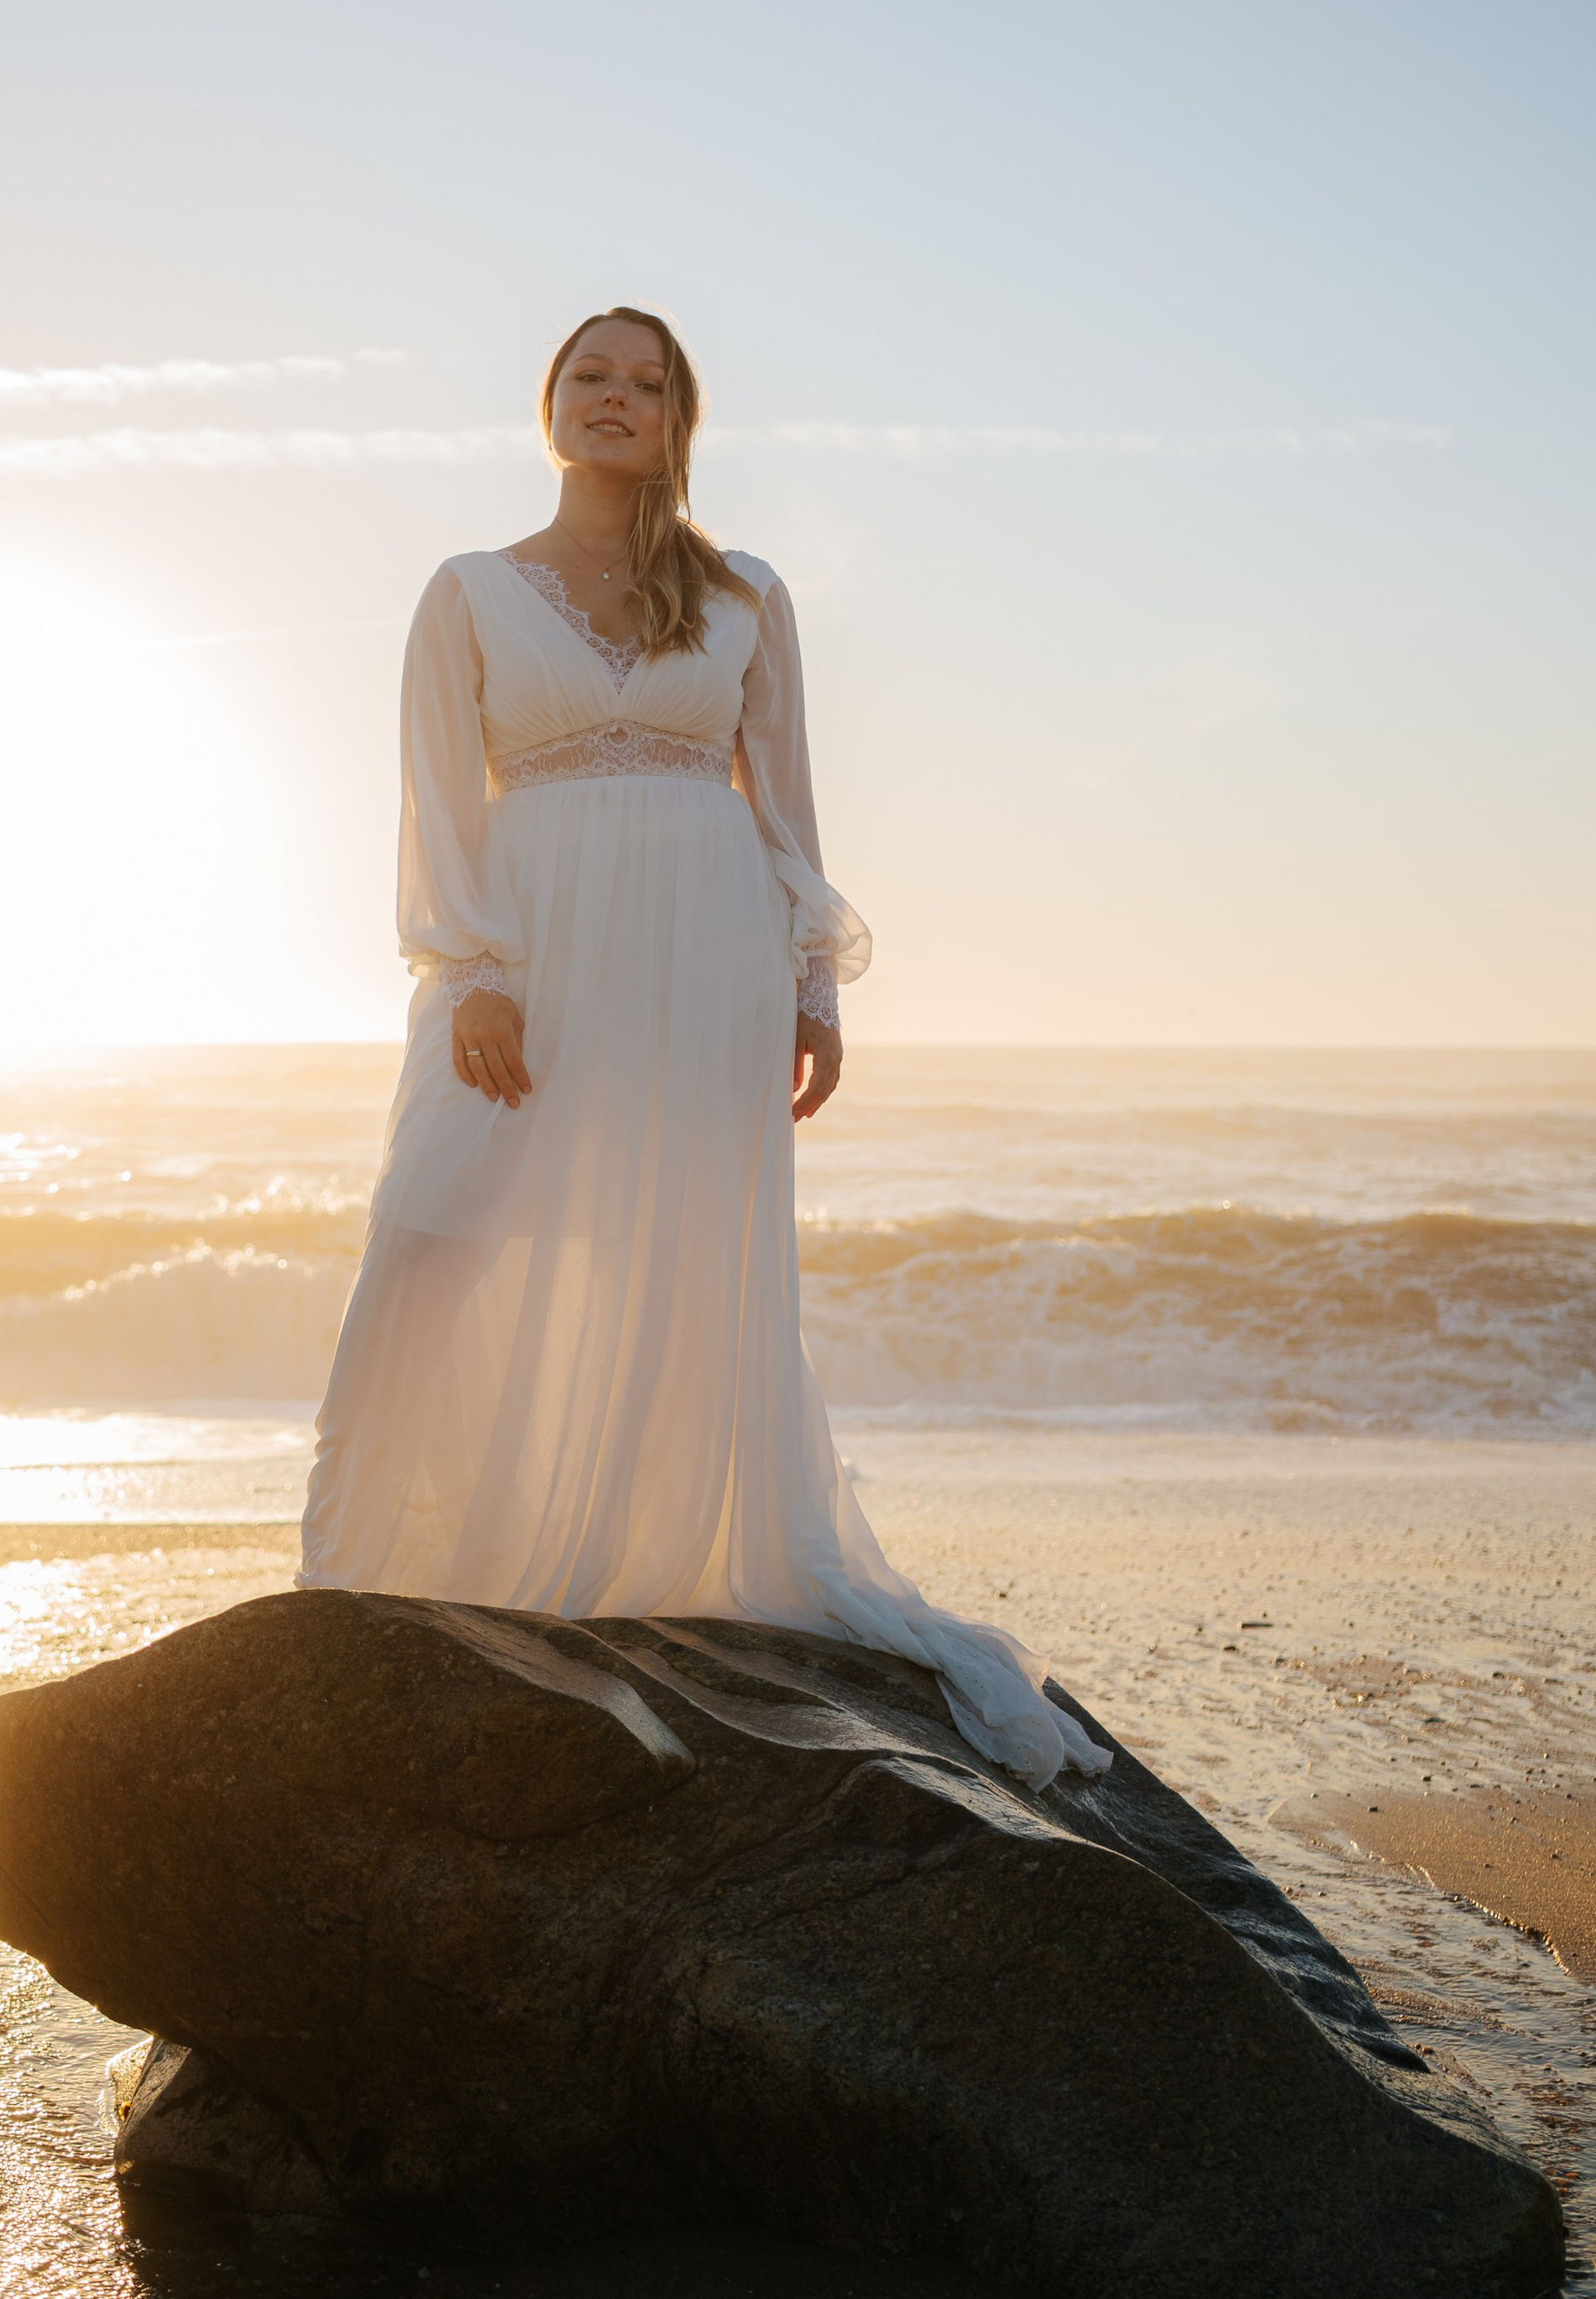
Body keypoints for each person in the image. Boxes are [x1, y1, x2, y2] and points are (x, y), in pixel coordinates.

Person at [299, 307, 1105, 1788]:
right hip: (532, 958)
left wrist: (814, 982)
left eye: (647, 382)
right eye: (589, 376)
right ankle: (361, 1572)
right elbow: (436, 800)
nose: (615, 397)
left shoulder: (744, 594)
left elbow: (784, 800)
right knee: (429, 1233)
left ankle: (642, 1557)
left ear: (679, 417)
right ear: (549, 404)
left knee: (676, 1255)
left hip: (705, 963)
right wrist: (472, 969)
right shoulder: (470, 590)